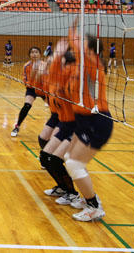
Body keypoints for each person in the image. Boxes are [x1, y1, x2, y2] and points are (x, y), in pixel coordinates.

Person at [63, 28, 113, 222]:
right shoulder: (79, 66)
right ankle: (88, 198)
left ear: (91, 50)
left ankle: (94, 206)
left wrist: (73, 32)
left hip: (97, 121)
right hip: (83, 120)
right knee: (69, 158)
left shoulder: (93, 63)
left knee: (74, 164)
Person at [40, 41, 80, 206]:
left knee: (56, 159)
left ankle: (73, 194)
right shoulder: (53, 81)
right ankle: (62, 188)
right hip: (64, 123)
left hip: (76, 125)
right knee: (45, 157)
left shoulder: (73, 81)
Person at [11, 46, 47, 137]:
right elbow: (25, 80)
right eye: (32, 52)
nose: (34, 54)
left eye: (36, 52)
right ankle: (17, 126)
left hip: (43, 89)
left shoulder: (45, 65)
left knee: (55, 109)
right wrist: (30, 84)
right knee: (27, 105)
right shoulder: (26, 66)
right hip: (32, 89)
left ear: (40, 54)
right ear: (29, 55)